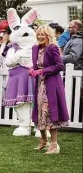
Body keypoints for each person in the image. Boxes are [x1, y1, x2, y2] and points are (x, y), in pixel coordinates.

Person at [29, 25, 69, 154]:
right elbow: (36, 65)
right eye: (38, 34)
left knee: (50, 113)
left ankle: (54, 145)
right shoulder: (35, 48)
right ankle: (43, 141)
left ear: (49, 36)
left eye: (43, 34)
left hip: (51, 85)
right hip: (40, 85)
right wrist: (32, 70)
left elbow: (59, 66)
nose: (40, 37)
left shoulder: (53, 48)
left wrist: (42, 71)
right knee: (39, 112)